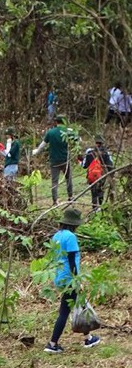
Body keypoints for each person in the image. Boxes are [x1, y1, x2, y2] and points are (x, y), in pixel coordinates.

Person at [44, 209, 101, 353]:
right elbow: (71, 260)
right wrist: (76, 280)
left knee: (80, 305)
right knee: (64, 312)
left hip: (60, 277)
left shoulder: (57, 235)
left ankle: (88, 338)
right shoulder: (71, 237)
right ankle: (52, 343)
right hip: (70, 278)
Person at [32, 116, 72, 205]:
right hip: (65, 159)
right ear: (64, 122)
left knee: (54, 181)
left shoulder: (50, 132)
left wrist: (36, 151)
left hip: (54, 160)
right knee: (68, 178)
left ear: (56, 122)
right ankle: (70, 197)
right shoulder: (68, 132)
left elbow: (42, 145)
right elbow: (78, 140)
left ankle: (55, 200)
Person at [82, 135, 113, 211]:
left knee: (93, 192)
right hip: (102, 176)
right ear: (102, 143)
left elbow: (84, 166)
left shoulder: (89, 152)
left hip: (92, 177)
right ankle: (101, 206)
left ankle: (94, 208)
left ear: (95, 142)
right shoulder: (106, 153)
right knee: (101, 191)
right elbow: (110, 165)